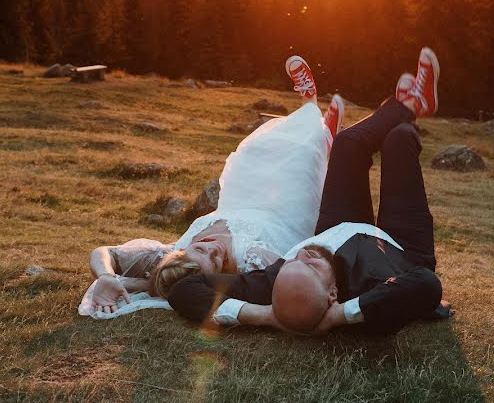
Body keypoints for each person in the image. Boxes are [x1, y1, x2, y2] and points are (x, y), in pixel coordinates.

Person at [168, 47, 451, 334]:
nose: (306, 255)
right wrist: (341, 315)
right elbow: (426, 283)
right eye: (313, 267)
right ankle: (411, 108)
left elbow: (184, 290)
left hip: (338, 228)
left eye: (291, 262)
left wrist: (266, 314)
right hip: (401, 249)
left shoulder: (273, 286)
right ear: (332, 295)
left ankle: (414, 103)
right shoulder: (365, 292)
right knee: (399, 139)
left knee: (347, 144)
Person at [83, 55, 345, 315]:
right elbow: (293, 279)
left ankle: (318, 128)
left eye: (200, 249)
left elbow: (106, 252)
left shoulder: (170, 253)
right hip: (282, 214)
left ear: (179, 255)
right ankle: (316, 120)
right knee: (297, 168)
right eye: (216, 261)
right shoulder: (251, 260)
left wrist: (107, 276)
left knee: (254, 151)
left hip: (240, 199)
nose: (212, 249)